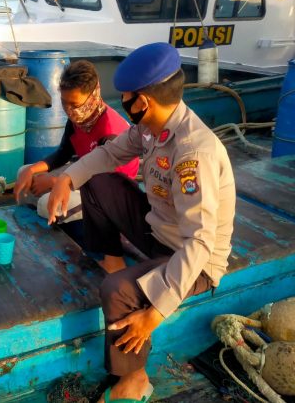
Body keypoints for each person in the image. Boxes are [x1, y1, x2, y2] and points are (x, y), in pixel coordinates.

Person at [47, 43, 236, 402]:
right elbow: (109, 153)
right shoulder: (154, 126)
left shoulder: (193, 153)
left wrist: (156, 313)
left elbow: (199, 243)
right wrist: (66, 178)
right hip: (160, 231)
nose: (124, 105)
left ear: (142, 103)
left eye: (127, 98)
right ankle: (116, 266)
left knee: (115, 292)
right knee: (98, 180)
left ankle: (134, 379)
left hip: (195, 260)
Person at [14, 60, 139, 244]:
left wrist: (55, 182)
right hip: (82, 173)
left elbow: (104, 184)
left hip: (111, 192)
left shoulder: (109, 132)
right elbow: (63, 153)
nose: (69, 111)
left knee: (44, 205)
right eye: (64, 104)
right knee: (23, 172)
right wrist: (31, 170)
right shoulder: (79, 119)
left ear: (93, 97)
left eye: (75, 104)